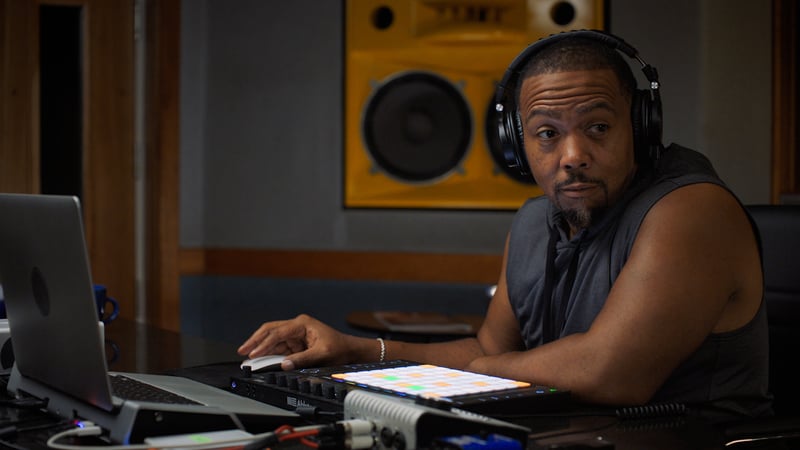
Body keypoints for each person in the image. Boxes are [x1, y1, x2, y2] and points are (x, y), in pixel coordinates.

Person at [238, 30, 772, 419]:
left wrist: (475, 371)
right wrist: (357, 350)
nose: (572, 155)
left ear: (640, 126)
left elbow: (610, 374)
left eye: (597, 126)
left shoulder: (692, 210)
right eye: (547, 133)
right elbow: (488, 352)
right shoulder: (536, 220)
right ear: (517, 146)